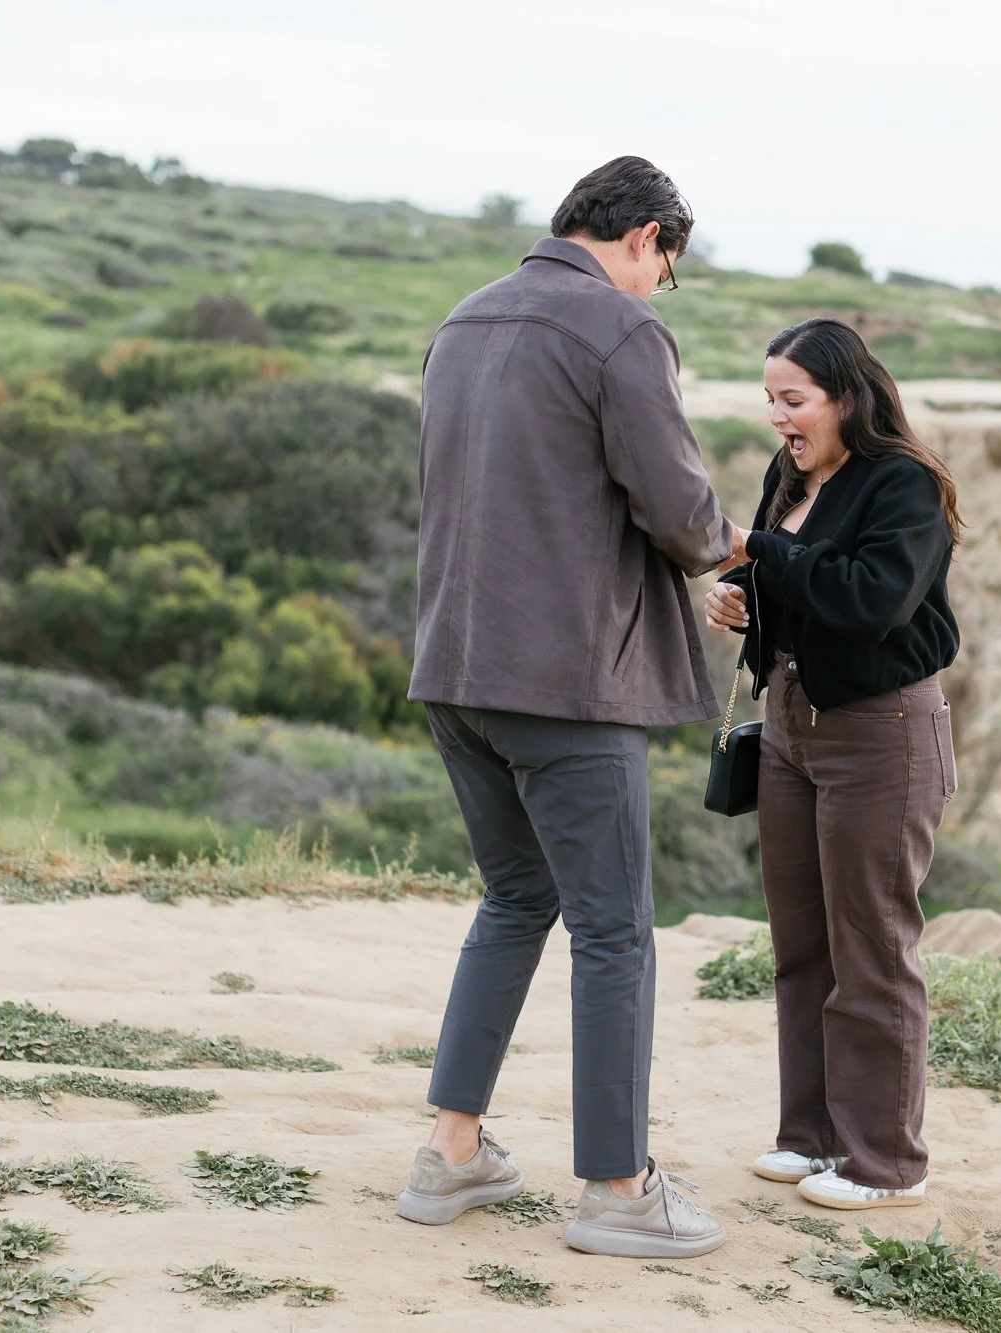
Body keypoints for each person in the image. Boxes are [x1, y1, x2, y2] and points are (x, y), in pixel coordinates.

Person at [398, 156, 745, 1259]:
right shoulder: (618, 327)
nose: (657, 289)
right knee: (614, 930)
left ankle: (450, 1153)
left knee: (514, 899)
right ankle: (618, 1188)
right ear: (646, 238)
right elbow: (678, 511)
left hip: (453, 667)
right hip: (564, 680)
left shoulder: (466, 316)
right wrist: (740, 545)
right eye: (664, 270)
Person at [705, 317, 962, 1210]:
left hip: (880, 735)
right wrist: (740, 596)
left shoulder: (904, 484)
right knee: (802, 947)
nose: (778, 417)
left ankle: (885, 1163)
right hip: (789, 727)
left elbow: (870, 601)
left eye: (794, 399)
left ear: (846, 397)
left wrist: (760, 550)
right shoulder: (789, 477)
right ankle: (810, 1137)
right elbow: (789, 582)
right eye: (770, 399)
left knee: (873, 951)